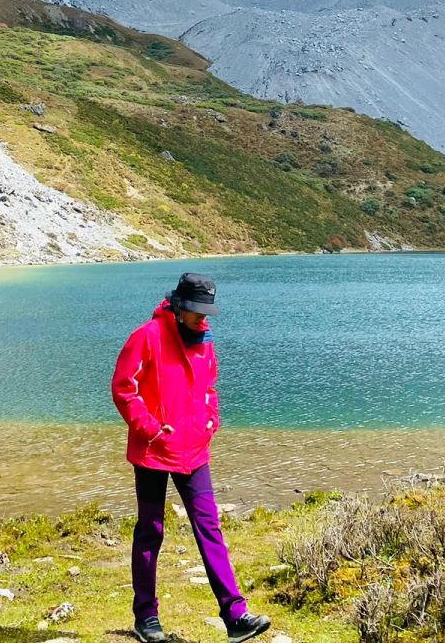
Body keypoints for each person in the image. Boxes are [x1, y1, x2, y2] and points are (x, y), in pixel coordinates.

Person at [111, 271, 271, 643]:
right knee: (150, 530)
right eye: (197, 312)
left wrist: (211, 418)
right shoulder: (146, 337)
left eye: (207, 313)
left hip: (194, 450)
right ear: (179, 307)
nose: (203, 319)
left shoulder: (204, 341)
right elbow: (123, 388)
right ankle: (145, 617)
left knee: (209, 526)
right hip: (153, 450)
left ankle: (235, 616)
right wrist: (149, 427)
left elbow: (209, 387)